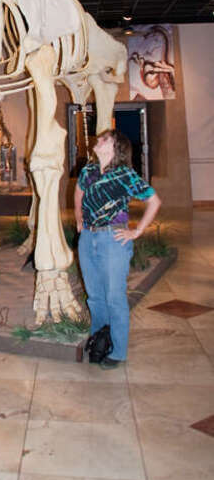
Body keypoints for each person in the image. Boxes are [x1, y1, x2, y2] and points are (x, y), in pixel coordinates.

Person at [75, 129, 161, 369]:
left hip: (113, 240)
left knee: (114, 297)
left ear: (116, 148)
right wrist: (78, 216)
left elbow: (154, 201)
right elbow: (79, 192)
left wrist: (137, 230)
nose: (98, 141)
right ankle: (99, 341)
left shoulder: (125, 175)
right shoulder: (89, 170)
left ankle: (118, 351)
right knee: (95, 297)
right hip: (88, 238)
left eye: (105, 140)